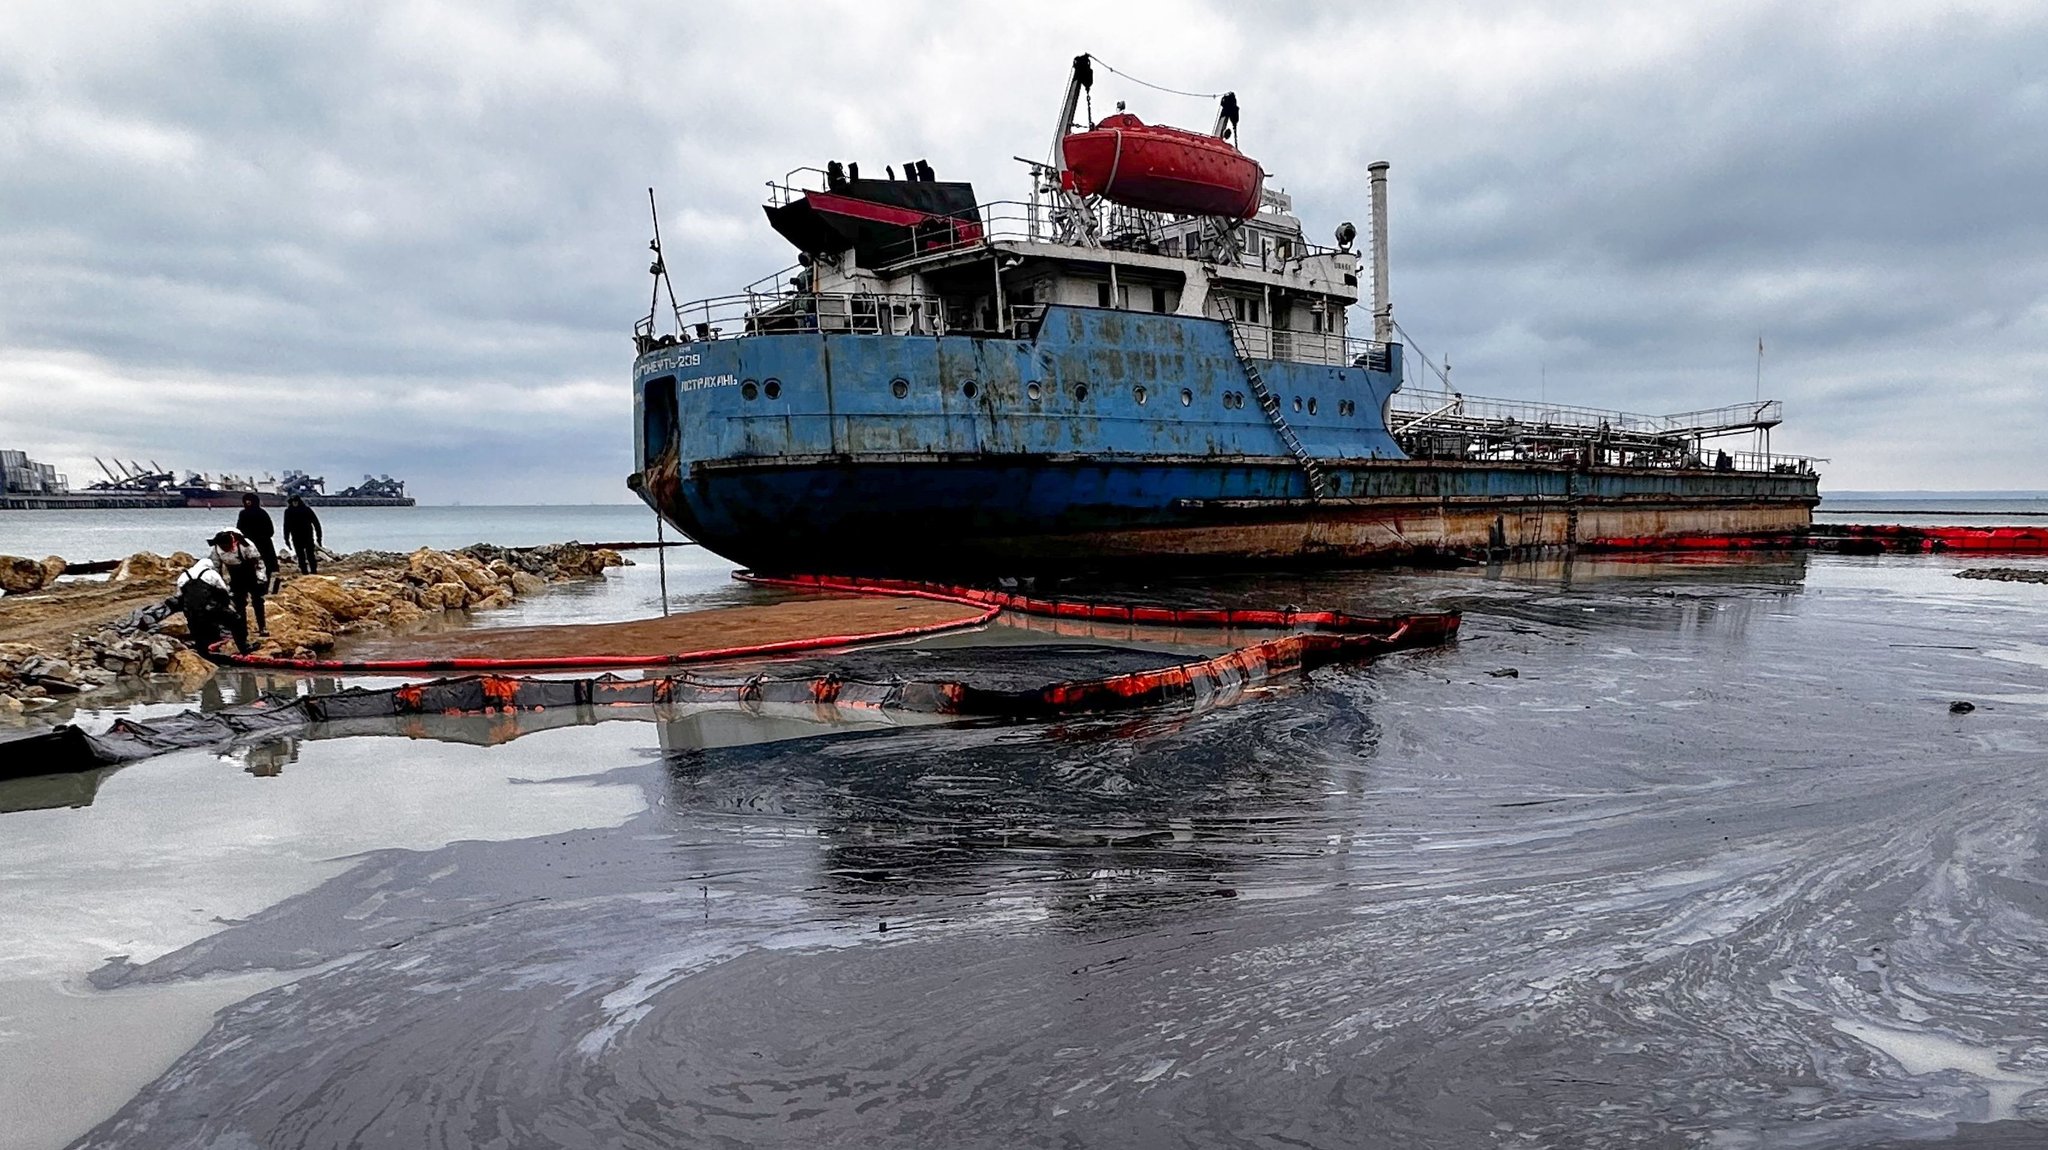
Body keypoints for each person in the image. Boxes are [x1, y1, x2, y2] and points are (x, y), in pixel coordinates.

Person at [173, 555, 249, 655]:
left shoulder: (184, 576)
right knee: (236, 621)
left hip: (191, 611)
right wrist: (226, 606)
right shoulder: (211, 573)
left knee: (198, 631)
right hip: (210, 609)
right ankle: (244, 648)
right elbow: (224, 591)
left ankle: (202, 652)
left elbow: (178, 596)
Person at [210, 529, 267, 637]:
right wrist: (219, 584)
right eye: (223, 547)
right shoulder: (216, 549)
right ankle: (242, 630)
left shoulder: (245, 545)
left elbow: (259, 562)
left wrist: (261, 578)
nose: (225, 549)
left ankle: (262, 627)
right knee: (239, 603)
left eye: (226, 546)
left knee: (258, 600)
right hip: (235, 576)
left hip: (251, 574)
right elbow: (216, 567)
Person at [237, 493, 279, 589]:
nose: (248, 502)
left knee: (265, 565)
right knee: (256, 566)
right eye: (246, 500)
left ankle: (266, 586)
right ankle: (259, 586)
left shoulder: (258, 513)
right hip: (255, 544)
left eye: (249, 500)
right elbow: (239, 529)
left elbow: (270, 529)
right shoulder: (246, 513)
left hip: (260, 543)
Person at [283, 495, 324, 573]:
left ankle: (313, 571)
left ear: (299, 502)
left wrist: (319, 537)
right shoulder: (288, 512)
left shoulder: (307, 510)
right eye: (293, 502)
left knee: (310, 555)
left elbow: (316, 524)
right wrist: (286, 539)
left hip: (307, 536)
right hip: (296, 537)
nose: (295, 503)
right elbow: (286, 526)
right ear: (291, 502)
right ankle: (304, 572)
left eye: (296, 502)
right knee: (300, 556)